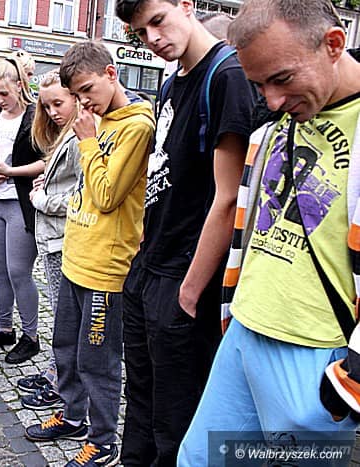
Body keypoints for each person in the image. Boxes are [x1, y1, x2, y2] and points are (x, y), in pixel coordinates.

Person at [178, 0, 360, 464]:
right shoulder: (271, 125)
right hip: (245, 330)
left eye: (281, 78)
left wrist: (353, 375)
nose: (272, 99)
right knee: (196, 460)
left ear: (333, 44)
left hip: (317, 352)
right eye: (259, 85)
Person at [115, 0, 256, 464]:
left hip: (184, 274)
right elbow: (164, 175)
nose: (152, 39)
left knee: (176, 413)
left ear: (186, 6)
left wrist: (191, 290)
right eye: (141, 32)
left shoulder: (227, 76)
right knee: (140, 396)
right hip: (149, 266)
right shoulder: (170, 82)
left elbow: (229, 198)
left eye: (158, 21)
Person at [24, 41, 155, 467]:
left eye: (87, 90)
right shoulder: (98, 120)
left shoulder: (136, 126)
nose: (83, 102)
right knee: (66, 347)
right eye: (76, 94)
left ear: (111, 74)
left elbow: (107, 194)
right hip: (76, 255)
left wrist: (87, 141)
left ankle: (102, 441)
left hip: (106, 268)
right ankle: (72, 416)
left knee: (98, 361)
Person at [0, 58, 45, 364]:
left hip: (21, 202)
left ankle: (31, 336)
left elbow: (47, 160)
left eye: (4, 93)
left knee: (19, 271)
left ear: (19, 85)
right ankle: (4, 328)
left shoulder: (36, 116)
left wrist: (11, 172)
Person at [19, 70, 81, 411]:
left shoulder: (81, 136)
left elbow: (81, 196)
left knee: (65, 318)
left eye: (58, 103)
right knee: (60, 314)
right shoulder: (64, 135)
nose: (53, 112)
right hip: (54, 237)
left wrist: (42, 199)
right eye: (46, 106)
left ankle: (63, 382)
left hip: (64, 238)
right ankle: (58, 371)